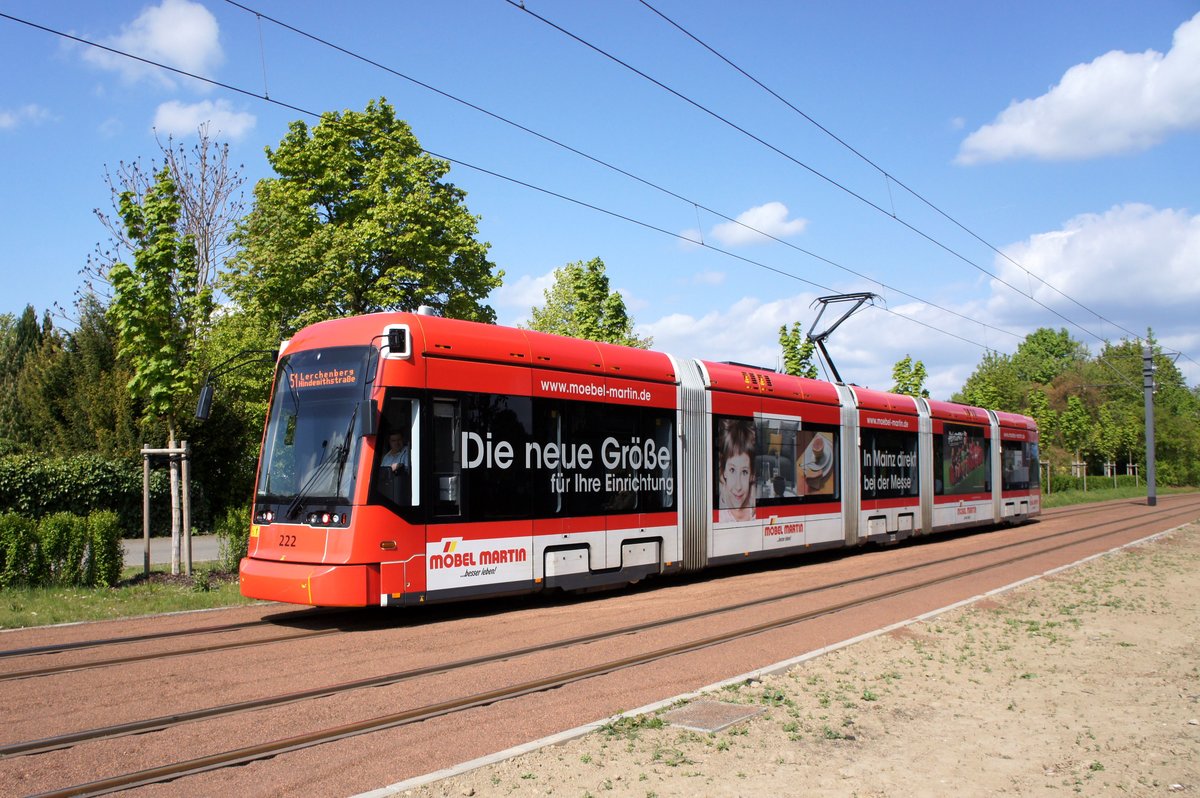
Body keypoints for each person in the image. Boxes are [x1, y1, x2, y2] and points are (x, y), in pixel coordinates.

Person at [717, 418, 756, 522]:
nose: (738, 486)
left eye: (744, 472)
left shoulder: (756, 513)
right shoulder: (720, 517)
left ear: (751, 475)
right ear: (724, 471)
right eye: (732, 470)